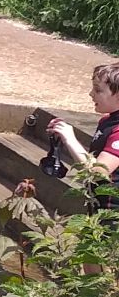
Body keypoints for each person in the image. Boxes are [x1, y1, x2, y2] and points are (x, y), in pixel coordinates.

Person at [44, 62, 119, 208]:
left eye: (98, 90)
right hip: (97, 204)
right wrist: (63, 138)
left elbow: (99, 172)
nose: (91, 94)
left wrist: (70, 139)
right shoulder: (107, 121)